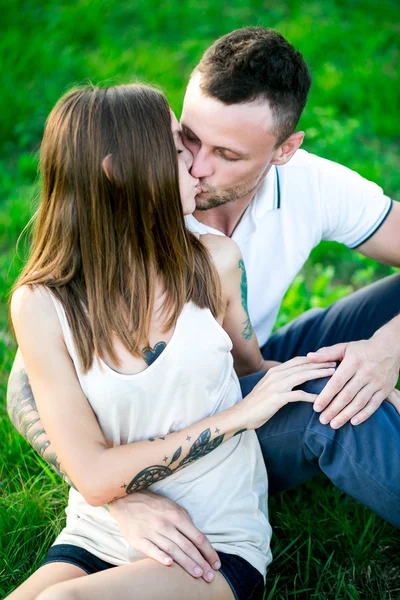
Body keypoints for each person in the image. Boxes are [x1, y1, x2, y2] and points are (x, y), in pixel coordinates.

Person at [7, 26, 400, 582]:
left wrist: (386, 350)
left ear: (285, 150)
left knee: (364, 352)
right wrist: (117, 496)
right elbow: (29, 386)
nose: (197, 167)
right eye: (189, 139)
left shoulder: (310, 188)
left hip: (237, 367)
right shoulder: (144, 193)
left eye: (227, 154)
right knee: (333, 402)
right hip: (179, 417)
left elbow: (249, 366)